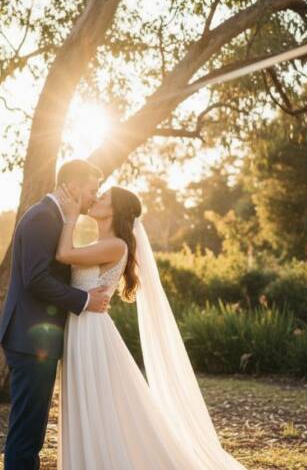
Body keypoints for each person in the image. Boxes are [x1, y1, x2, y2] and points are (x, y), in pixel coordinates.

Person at [53, 183, 248, 469]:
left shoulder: (116, 245)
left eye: (104, 197)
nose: (96, 198)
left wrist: (70, 216)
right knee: (92, 401)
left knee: (95, 400)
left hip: (91, 330)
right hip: (84, 326)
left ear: (115, 210)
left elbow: (63, 255)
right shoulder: (103, 243)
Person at [0, 159, 112, 470]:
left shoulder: (54, 218)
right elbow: (36, 279)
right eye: (91, 190)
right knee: (26, 432)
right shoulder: (42, 218)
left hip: (35, 340)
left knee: (31, 430)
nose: (93, 197)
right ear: (73, 187)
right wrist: (84, 299)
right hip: (29, 340)